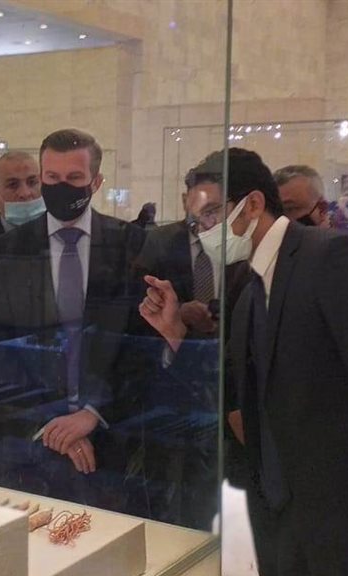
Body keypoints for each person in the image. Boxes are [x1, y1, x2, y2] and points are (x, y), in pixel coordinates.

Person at [140, 148, 348, 576]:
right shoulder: (249, 283)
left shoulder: (332, 258)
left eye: (212, 213)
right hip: (280, 516)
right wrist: (175, 333)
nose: (206, 230)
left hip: (342, 519)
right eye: (197, 221)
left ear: (253, 204)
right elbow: (238, 384)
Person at [0, 128, 146, 512]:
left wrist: (93, 414)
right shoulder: (6, 250)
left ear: (96, 182)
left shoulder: (131, 244)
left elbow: (138, 345)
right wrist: (54, 427)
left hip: (111, 440)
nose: (61, 187)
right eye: (52, 177)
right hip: (29, 440)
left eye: (74, 178)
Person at [131, 155, 255, 529]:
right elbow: (135, 311)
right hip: (174, 383)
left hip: (229, 380)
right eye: (201, 209)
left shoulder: (242, 244)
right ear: (186, 200)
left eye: (216, 210)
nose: (208, 221)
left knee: (212, 493)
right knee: (171, 493)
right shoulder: (158, 242)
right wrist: (180, 314)